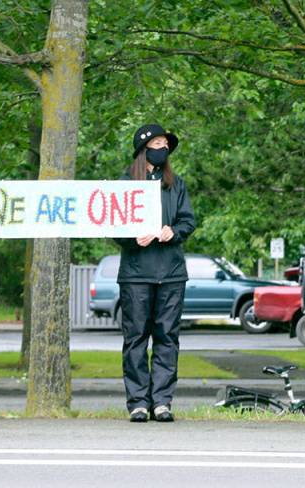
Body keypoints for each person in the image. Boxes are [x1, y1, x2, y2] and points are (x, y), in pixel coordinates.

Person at [114, 124, 196, 423]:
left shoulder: (176, 184)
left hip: (171, 273)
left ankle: (162, 401)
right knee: (135, 338)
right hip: (136, 274)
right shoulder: (125, 183)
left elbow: (188, 221)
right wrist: (132, 238)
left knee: (167, 338)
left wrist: (173, 231)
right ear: (143, 149)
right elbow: (112, 225)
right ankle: (138, 402)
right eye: (158, 143)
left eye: (166, 144)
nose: (163, 148)